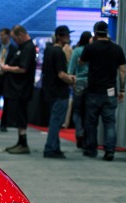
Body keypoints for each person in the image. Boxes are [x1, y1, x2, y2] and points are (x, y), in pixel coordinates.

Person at [80, 21, 126, 161]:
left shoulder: (90, 48)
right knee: (109, 122)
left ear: (95, 32)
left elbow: (81, 62)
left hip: (93, 90)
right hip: (110, 91)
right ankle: (109, 151)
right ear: (107, 32)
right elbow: (123, 71)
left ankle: (91, 149)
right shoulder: (117, 49)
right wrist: (122, 89)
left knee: (91, 122)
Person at [0, 25, 37, 154]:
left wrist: (7, 68)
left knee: (21, 115)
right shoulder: (22, 47)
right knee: (19, 116)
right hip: (17, 89)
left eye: (15, 38)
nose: (14, 41)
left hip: (23, 89)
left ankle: (23, 143)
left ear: (20, 35)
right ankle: (20, 142)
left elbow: (23, 68)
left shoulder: (28, 47)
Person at [41, 25, 76, 159]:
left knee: (54, 120)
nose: (69, 37)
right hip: (60, 92)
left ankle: (55, 147)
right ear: (59, 37)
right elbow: (61, 74)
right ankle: (50, 148)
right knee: (56, 122)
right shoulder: (59, 53)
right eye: (66, 35)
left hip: (50, 91)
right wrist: (71, 80)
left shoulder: (49, 50)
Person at [68, 31, 92, 148]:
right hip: (91, 83)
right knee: (88, 112)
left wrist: (71, 81)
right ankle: (87, 137)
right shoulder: (92, 50)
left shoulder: (77, 51)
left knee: (77, 111)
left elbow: (71, 68)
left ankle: (79, 133)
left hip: (79, 83)